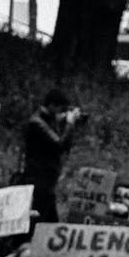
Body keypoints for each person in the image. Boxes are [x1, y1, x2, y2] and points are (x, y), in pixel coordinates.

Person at [21, 90, 84, 224]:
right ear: (52, 105)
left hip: (47, 180)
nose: (61, 112)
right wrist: (70, 123)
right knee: (37, 221)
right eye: (61, 109)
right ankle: (22, 242)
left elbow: (64, 145)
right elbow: (59, 145)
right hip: (39, 178)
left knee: (50, 224)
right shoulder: (37, 123)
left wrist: (66, 122)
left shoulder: (47, 120)